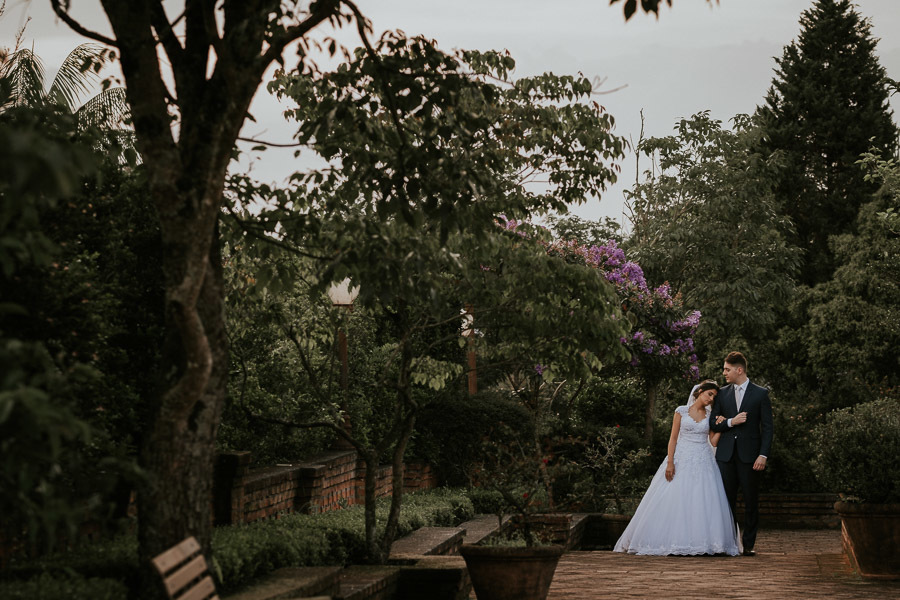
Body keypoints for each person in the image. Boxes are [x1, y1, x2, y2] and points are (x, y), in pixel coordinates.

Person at [614, 380, 741, 556]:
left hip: (703, 459)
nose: (711, 399)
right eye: (709, 394)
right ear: (699, 392)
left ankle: (702, 543)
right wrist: (670, 462)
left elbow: (713, 441)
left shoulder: (711, 414)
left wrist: (721, 425)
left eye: (714, 397)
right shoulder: (681, 411)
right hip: (681, 457)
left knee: (702, 501)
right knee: (675, 497)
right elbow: (673, 438)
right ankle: (671, 542)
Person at [709, 351, 774, 557]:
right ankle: (728, 543)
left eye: (727, 369)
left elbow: (768, 428)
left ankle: (748, 544)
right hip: (725, 456)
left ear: (739, 370)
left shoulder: (760, 394)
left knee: (750, 501)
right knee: (725, 501)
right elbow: (712, 423)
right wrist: (730, 421)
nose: (724, 373)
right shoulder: (722, 393)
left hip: (750, 457)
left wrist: (763, 455)